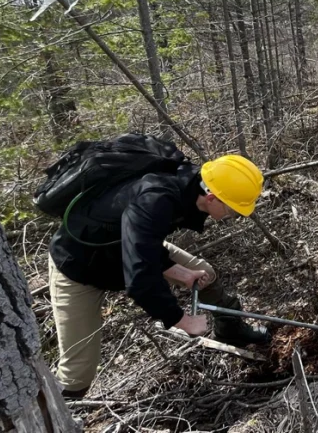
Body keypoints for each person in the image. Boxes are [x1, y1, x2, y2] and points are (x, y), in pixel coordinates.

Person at [47, 154, 271, 399]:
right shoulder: (155, 200)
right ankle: (59, 416)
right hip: (79, 268)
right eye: (232, 209)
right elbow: (141, 278)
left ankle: (230, 329)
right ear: (212, 197)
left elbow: (143, 243)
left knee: (204, 273)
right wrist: (181, 319)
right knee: (77, 373)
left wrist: (180, 272)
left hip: (124, 247)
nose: (233, 216)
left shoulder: (186, 186)